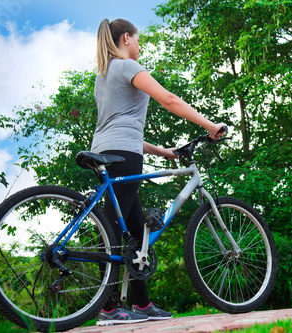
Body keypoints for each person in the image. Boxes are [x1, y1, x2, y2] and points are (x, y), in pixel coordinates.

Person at [91, 18, 226, 326]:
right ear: (126, 37)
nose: (139, 46)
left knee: (138, 235)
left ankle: (141, 304)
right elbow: (169, 99)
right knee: (111, 230)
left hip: (109, 151)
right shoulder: (126, 67)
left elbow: (123, 128)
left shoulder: (103, 74)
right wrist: (211, 126)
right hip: (123, 156)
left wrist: (165, 152)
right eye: (137, 40)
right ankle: (109, 308)